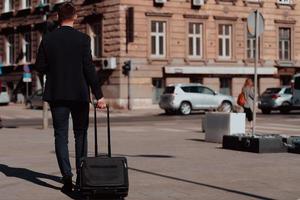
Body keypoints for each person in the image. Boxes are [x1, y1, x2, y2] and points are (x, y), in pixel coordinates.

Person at [35, 2, 106, 193]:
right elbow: (89, 69)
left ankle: (67, 177)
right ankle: (82, 176)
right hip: (79, 94)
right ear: (74, 17)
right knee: (80, 134)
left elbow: (39, 67)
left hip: (57, 95)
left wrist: (55, 70)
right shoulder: (83, 39)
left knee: (60, 135)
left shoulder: (48, 39)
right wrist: (99, 95)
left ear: (58, 17)